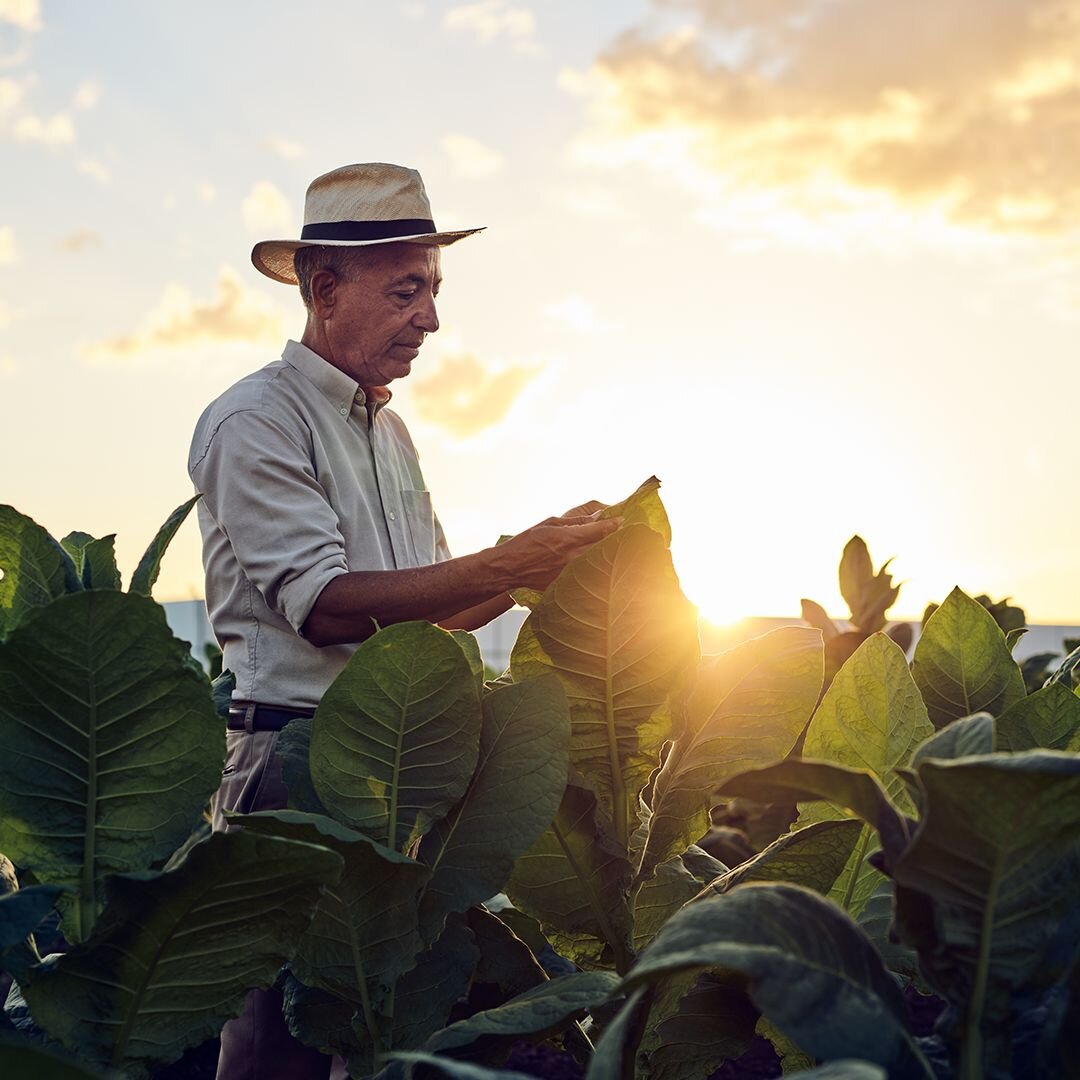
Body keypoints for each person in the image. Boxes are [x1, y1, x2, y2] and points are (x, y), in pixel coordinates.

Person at [187, 162, 617, 1080]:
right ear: (323, 288)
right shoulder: (255, 420)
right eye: (407, 290)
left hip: (395, 762)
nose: (430, 319)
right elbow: (329, 607)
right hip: (292, 765)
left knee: (380, 1034)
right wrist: (513, 558)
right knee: (276, 1049)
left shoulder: (389, 430)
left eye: (433, 291)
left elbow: (433, 614)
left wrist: (549, 570)